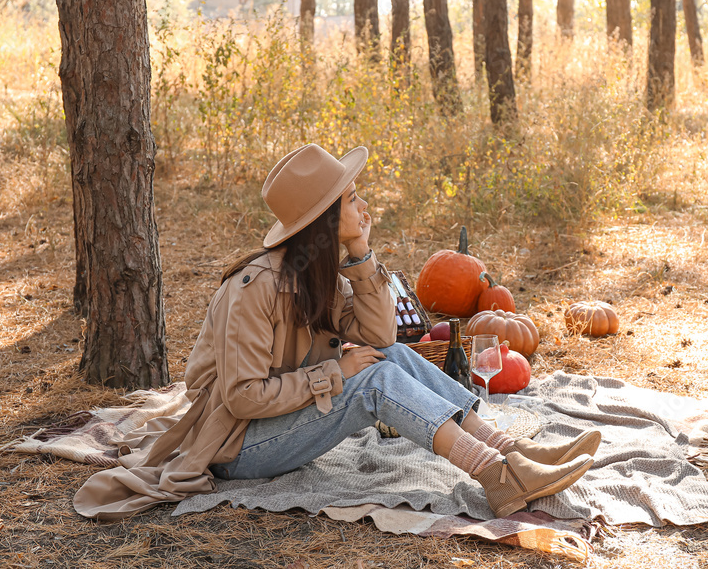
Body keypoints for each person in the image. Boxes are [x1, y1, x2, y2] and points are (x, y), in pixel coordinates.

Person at [74, 144, 600, 521]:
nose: (363, 206)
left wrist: (362, 256)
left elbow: (382, 335)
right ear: (324, 218)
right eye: (351, 200)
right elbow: (239, 396)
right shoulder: (255, 288)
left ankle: (510, 453)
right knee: (370, 383)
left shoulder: (316, 274)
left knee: (387, 362)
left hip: (279, 423)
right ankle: (495, 477)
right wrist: (333, 374)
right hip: (235, 446)